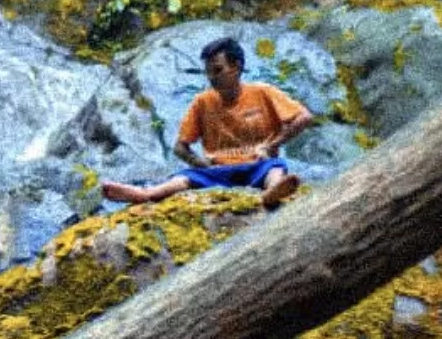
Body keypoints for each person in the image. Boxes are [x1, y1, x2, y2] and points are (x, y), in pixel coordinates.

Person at [100, 36, 312, 209]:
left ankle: (272, 192)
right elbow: (180, 148)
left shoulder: (262, 92)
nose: (212, 77)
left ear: (236, 67)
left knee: (275, 167)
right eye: (209, 72)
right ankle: (145, 194)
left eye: (218, 70)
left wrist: (272, 145)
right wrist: (201, 163)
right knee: (185, 178)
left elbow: (304, 118)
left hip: (257, 165)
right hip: (216, 171)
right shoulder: (203, 102)